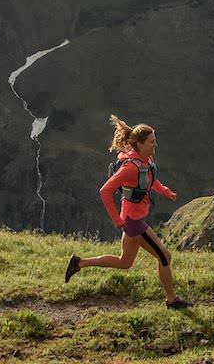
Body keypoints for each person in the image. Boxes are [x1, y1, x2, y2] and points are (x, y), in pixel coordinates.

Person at [64, 115, 191, 310]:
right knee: (165, 257)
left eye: (154, 141)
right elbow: (105, 191)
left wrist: (165, 191)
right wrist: (117, 220)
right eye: (151, 142)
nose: (154, 146)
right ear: (139, 144)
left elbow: (149, 180)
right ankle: (172, 300)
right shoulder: (130, 167)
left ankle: (79, 263)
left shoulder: (144, 162)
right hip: (134, 222)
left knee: (125, 262)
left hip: (132, 219)